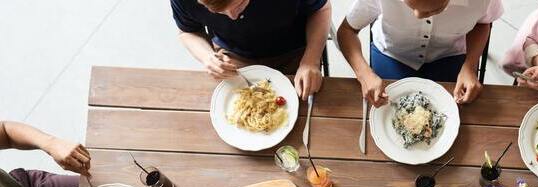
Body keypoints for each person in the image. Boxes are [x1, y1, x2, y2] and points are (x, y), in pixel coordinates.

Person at [337, 0, 504, 107]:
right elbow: (347, 31)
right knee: (381, 113)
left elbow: (483, 24)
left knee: (459, 115)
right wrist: (364, 74)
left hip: (449, 56)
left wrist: (470, 66)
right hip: (391, 54)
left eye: (434, 9)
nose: (417, 16)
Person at [170, 0, 332, 100]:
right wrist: (207, 57)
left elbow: (321, 9)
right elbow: (187, 31)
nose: (232, 16)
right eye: (218, 12)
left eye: (239, 4)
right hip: (233, 56)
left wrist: (311, 60)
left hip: (294, 51)